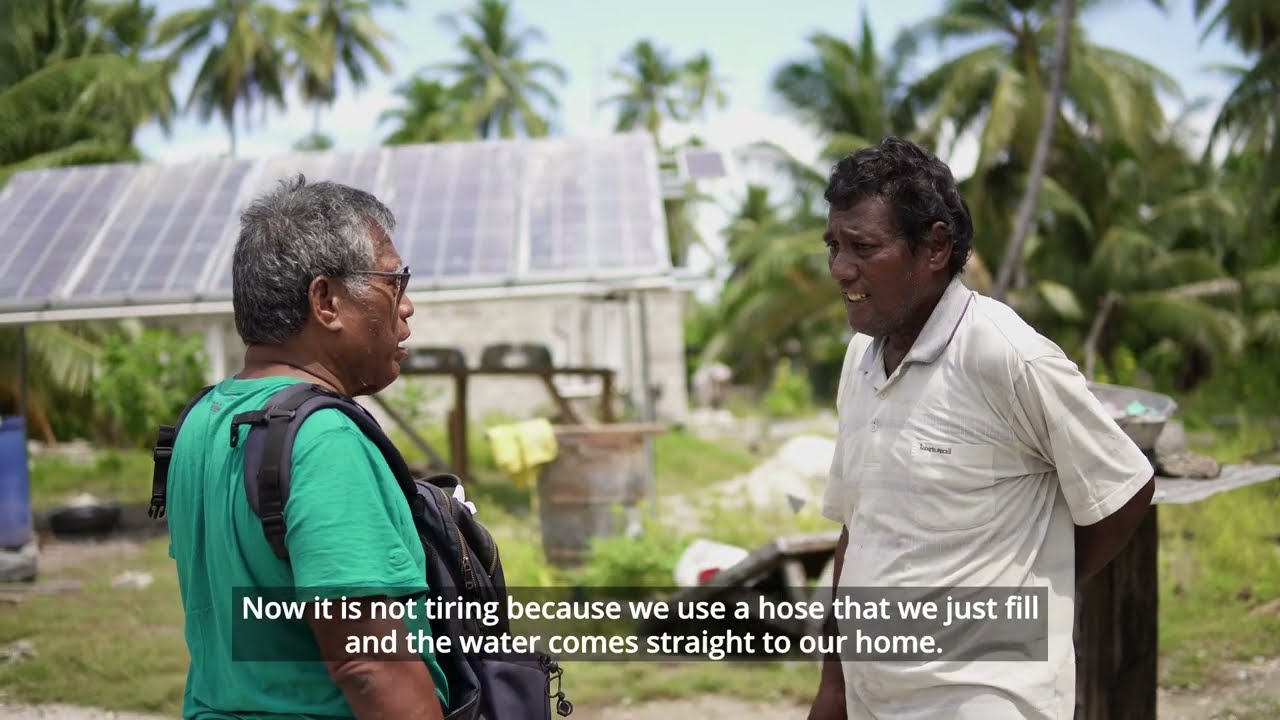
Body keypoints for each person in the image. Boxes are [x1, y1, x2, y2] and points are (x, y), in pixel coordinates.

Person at [809, 137, 1155, 719]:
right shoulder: (861, 360)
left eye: (864, 247)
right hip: (877, 697)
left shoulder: (1006, 355)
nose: (842, 269)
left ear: (935, 247)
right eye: (834, 245)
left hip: (981, 698)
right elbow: (858, 530)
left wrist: (1035, 589)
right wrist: (835, 686)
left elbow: (1125, 489)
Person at [165, 175, 449, 719]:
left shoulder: (202, 421)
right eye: (394, 281)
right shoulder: (325, 439)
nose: (407, 306)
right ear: (325, 300)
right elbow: (370, 664)